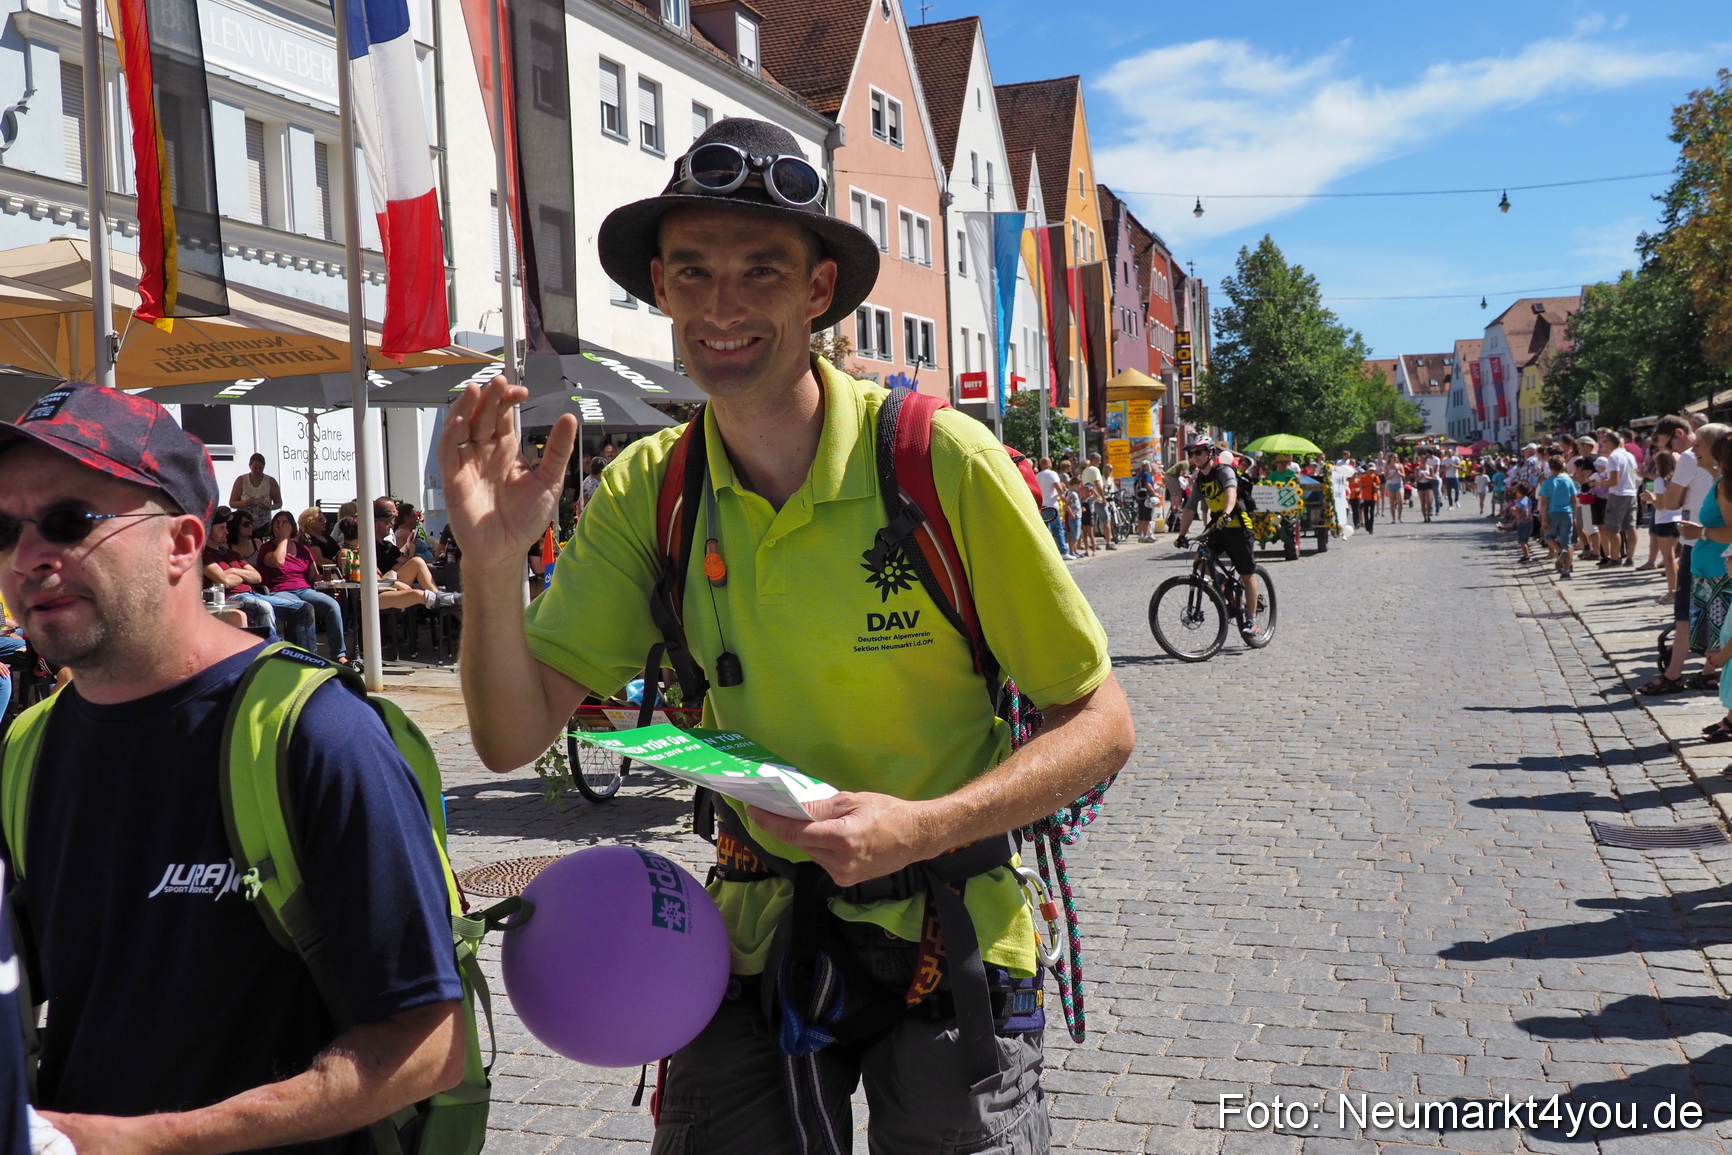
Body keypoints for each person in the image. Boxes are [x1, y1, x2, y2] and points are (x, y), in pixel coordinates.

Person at [441, 117, 1133, 1152]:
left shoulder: (939, 461)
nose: (723, 307)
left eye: (761, 271)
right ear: (661, 290)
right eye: (693, 272)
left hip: (948, 919)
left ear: (817, 293)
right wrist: (491, 566)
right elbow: (508, 738)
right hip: (757, 929)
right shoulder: (652, 488)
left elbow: (1102, 726)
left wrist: (920, 826)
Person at [0, 382, 466, 1153]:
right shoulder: (27, 747)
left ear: (184, 543)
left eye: (69, 521)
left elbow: (426, 1045)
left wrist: (156, 1139)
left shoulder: (314, 733)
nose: (29, 556)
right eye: (4, 528)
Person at [1642, 418, 1725, 695]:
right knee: (1714, 614)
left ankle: (1675, 673)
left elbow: (1669, 502)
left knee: (1688, 613)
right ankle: (1708, 672)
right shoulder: (1715, 474)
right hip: (1708, 549)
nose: (1691, 450)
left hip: (1706, 549)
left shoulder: (1699, 466)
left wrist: (1700, 532)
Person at [1172, 436, 1261, 634]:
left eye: (1198, 452)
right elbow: (1189, 507)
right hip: (1218, 525)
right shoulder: (1201, 479)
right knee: (1200, 559)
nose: (1194, 457)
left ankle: (1251, 620)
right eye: (1191, 453)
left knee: (1247, 574)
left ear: (1210, 453)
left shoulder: (1224, 471)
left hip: (1238, 524)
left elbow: (1231, 491)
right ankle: (1225, 584)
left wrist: (1227, 513)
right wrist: (1182, 534)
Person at [202, 504, 315, 645]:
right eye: (221, 528)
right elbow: (225, 581)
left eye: (226, 527)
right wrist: (242, 575)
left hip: (254, 594)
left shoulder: (232, 554)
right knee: (264, 607)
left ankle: (305, 658)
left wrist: (233, 571)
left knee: (304, 608)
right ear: (208, 530)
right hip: (232, 599)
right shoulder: (204, 555)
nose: (226, 531)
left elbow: (257, 577)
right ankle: (271, 657)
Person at [257, 509, 350, 664]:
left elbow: (313, 576)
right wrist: (282, 540)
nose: (280, 526)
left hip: (304, 588)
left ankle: (339, 654)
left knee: (332, 605)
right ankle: (307, 655)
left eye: (285, 523)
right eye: (277, 523)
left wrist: (330, 577)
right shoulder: (267, 548)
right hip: (280, 591)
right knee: (303, 607)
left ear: (292, 526)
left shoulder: (303, 549)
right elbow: (277, 562)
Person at [1597, 428, 1640, 567]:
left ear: (1610, 442)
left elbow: (1614, 480)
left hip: (1618, 494)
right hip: (1631, 493)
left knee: (1612, 528)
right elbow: (1634, 475)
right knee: (1630, 527)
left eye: (1604, 442)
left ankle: (1615, 558)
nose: (1602, 445)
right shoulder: (1629, 456)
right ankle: (1630, 557)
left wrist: (1599, 483)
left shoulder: (1613, 457)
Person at [1537, 456, 1577, 579]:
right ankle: (1566, 570)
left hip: (1553, 513)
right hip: (1567, 513)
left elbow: (1544, 502)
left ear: (1550, 467)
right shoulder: (1568, 480)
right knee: (1567, 542)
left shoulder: (1547, 482)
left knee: (1549, 536)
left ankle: (1559, 551)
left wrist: (1543, 518)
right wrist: (1575, 515)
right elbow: (1574, 499)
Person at [228, 452, 282, 526]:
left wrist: (269, 507)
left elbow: (279, 503)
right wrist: (245, 503)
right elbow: (232, 503)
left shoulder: (271, 481)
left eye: (260, 468)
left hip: (264, 523)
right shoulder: (241, 480)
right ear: (250, 466)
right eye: (255, 468)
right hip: (244, 523)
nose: (258, 471)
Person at [1034, 455, 1070, 558]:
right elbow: (1058, 488)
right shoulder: (1052, 474)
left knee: (1045, 531)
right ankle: (1063, 551)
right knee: (1058, 529)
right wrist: (1064, 499)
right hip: (1052, 505)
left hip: (1042, 506)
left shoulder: (1038, 476)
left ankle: (1046, 553)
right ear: (1048, 464)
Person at [1133, 463, 1157, 541]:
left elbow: (1134, 485)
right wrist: (1154, 494)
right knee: (1146, 517)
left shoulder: (1139, 475)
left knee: (1141, 517)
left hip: (1140, 497)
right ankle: (1145, 535)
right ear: (1147, 467)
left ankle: (1141, 535)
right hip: (1147, 497)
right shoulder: (1147, 474)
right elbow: (1147, 484)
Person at [1512, 483, 1535, 562]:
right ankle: (1528, 553)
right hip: (1529, 521)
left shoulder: (1518, 502)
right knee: (1526, 539)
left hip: (1522, 522)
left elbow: (1518, 513)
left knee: (1522, 541)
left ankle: (1526, 556)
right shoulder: (1528, 499)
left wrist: (1513, 510)